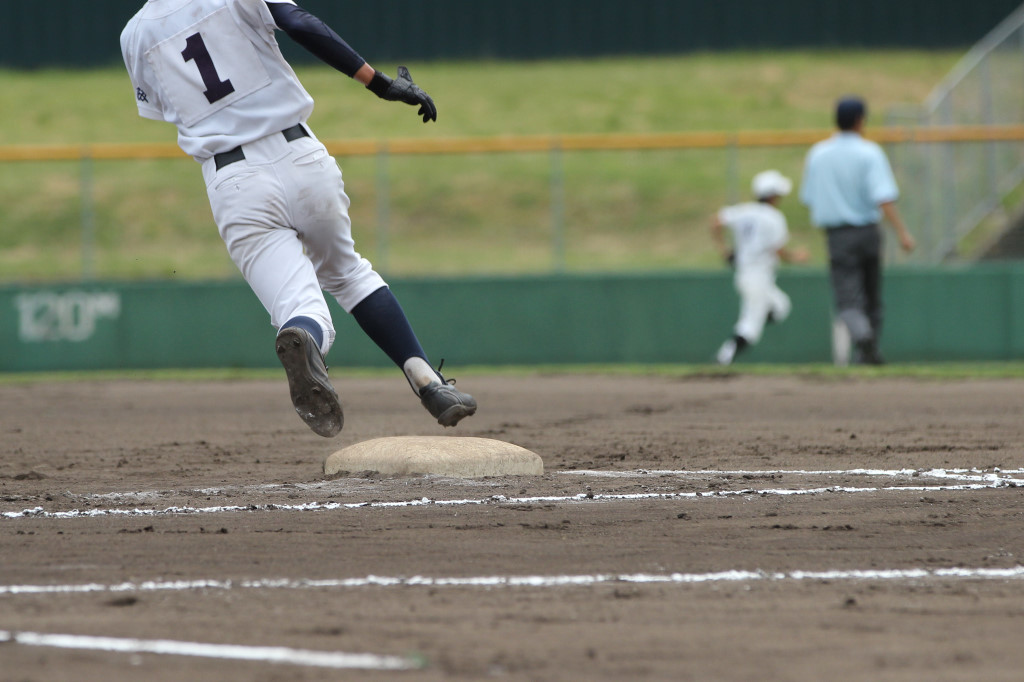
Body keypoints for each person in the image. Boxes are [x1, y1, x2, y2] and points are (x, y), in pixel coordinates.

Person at [120, 0, 476, 436]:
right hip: (302, 156)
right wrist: (379, 83)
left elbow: (165, 106)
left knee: (301, 310)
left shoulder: (133, 36)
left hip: (234, 180)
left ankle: (307, 338)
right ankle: (427, 381)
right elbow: (297, 21)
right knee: (349, 273)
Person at [800, 96, 916, 365]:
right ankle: (868, 348)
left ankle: (864, 342)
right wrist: (902, 232)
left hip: (837, 235)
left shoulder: (818, 153)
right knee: (872, 297)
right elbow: (883, 197)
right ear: (859, 120)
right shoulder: (869, 152)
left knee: (848, 299)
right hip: (868, 231)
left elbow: (809, 198)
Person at [712, 170, 809, 365]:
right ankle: (723, 359)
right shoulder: (773, 217)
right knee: (750, 326)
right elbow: (778, 250)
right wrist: (796, 257)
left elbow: (715, 221)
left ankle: (748, 325)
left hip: (748, 274)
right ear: (772, 195)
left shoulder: (743, 210)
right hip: (757, 276)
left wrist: (724, 251)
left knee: (781, 306)